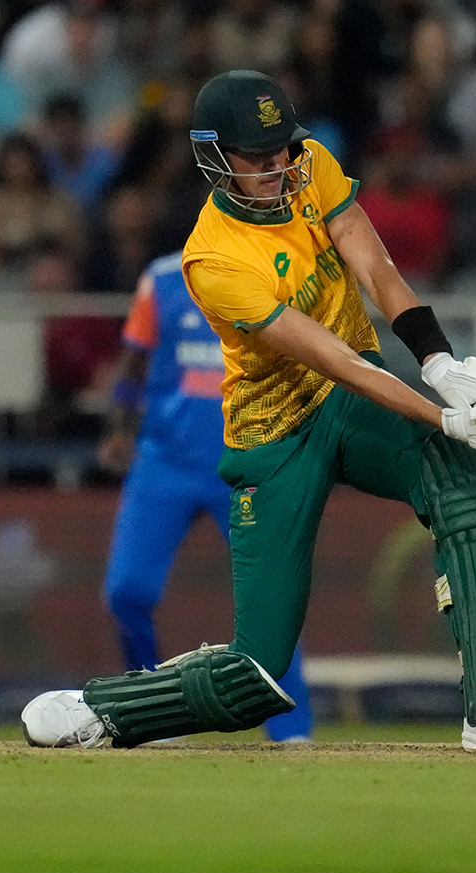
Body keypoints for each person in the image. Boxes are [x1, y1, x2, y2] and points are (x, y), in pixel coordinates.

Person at [21, 69, 476, 755]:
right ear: (213, 156)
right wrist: (443, 415)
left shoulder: (308, 167)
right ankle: (106, 708)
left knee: (468, 488)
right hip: (275, 435)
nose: (278, 166)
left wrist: (440, 362)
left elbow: (377, 269)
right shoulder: (212, 259)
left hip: (350, 405)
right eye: (258, 156)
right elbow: (334, 358)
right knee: (257, 674)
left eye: (284, 148)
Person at [98, 250, 313, 741]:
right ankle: (152, 710)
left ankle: (291, 731)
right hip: (164, 463)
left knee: (273, 598)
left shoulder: (277, 273)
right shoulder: (161, 279)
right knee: (127, 593)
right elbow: (134, 362)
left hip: (247, 461)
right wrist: (118, 427)